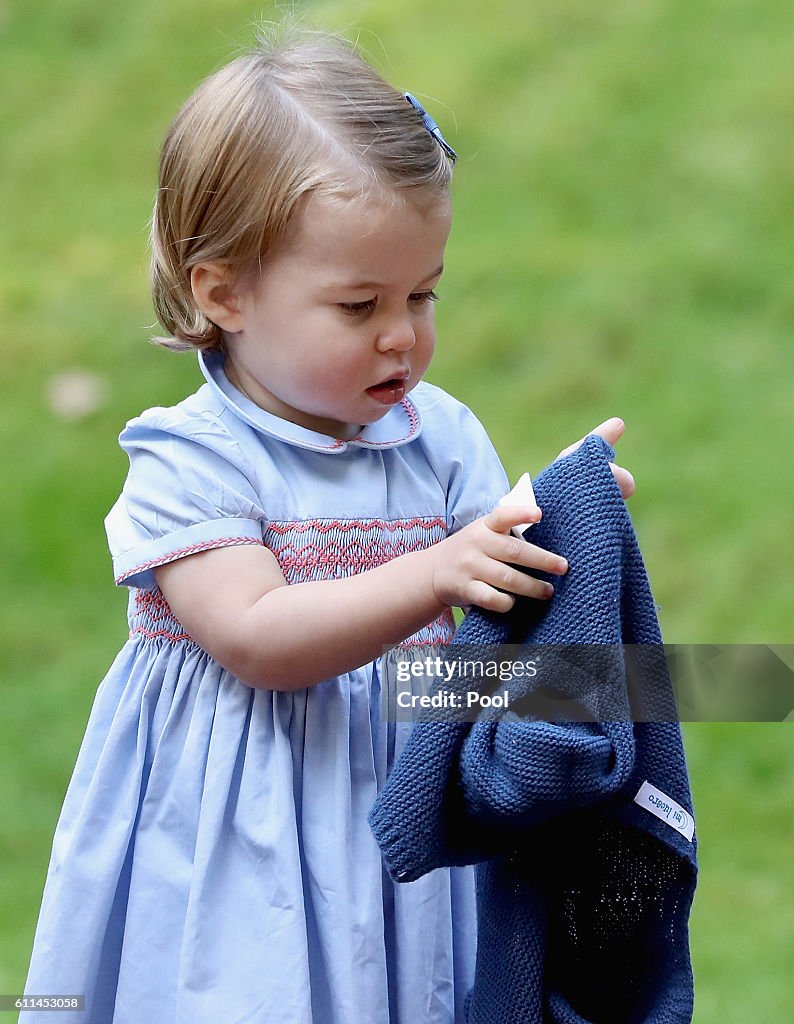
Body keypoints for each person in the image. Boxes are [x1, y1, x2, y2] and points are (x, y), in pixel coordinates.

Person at [22, 27, 633, 1024]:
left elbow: (486, 646)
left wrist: (567, 527)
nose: (402, 333)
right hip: (239, 846)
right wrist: (440, 571)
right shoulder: (192, 458)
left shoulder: (439, 439)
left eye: (421, 293)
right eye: (358, 304)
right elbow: (257, 640)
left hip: (406, 834)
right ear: (222, 292)